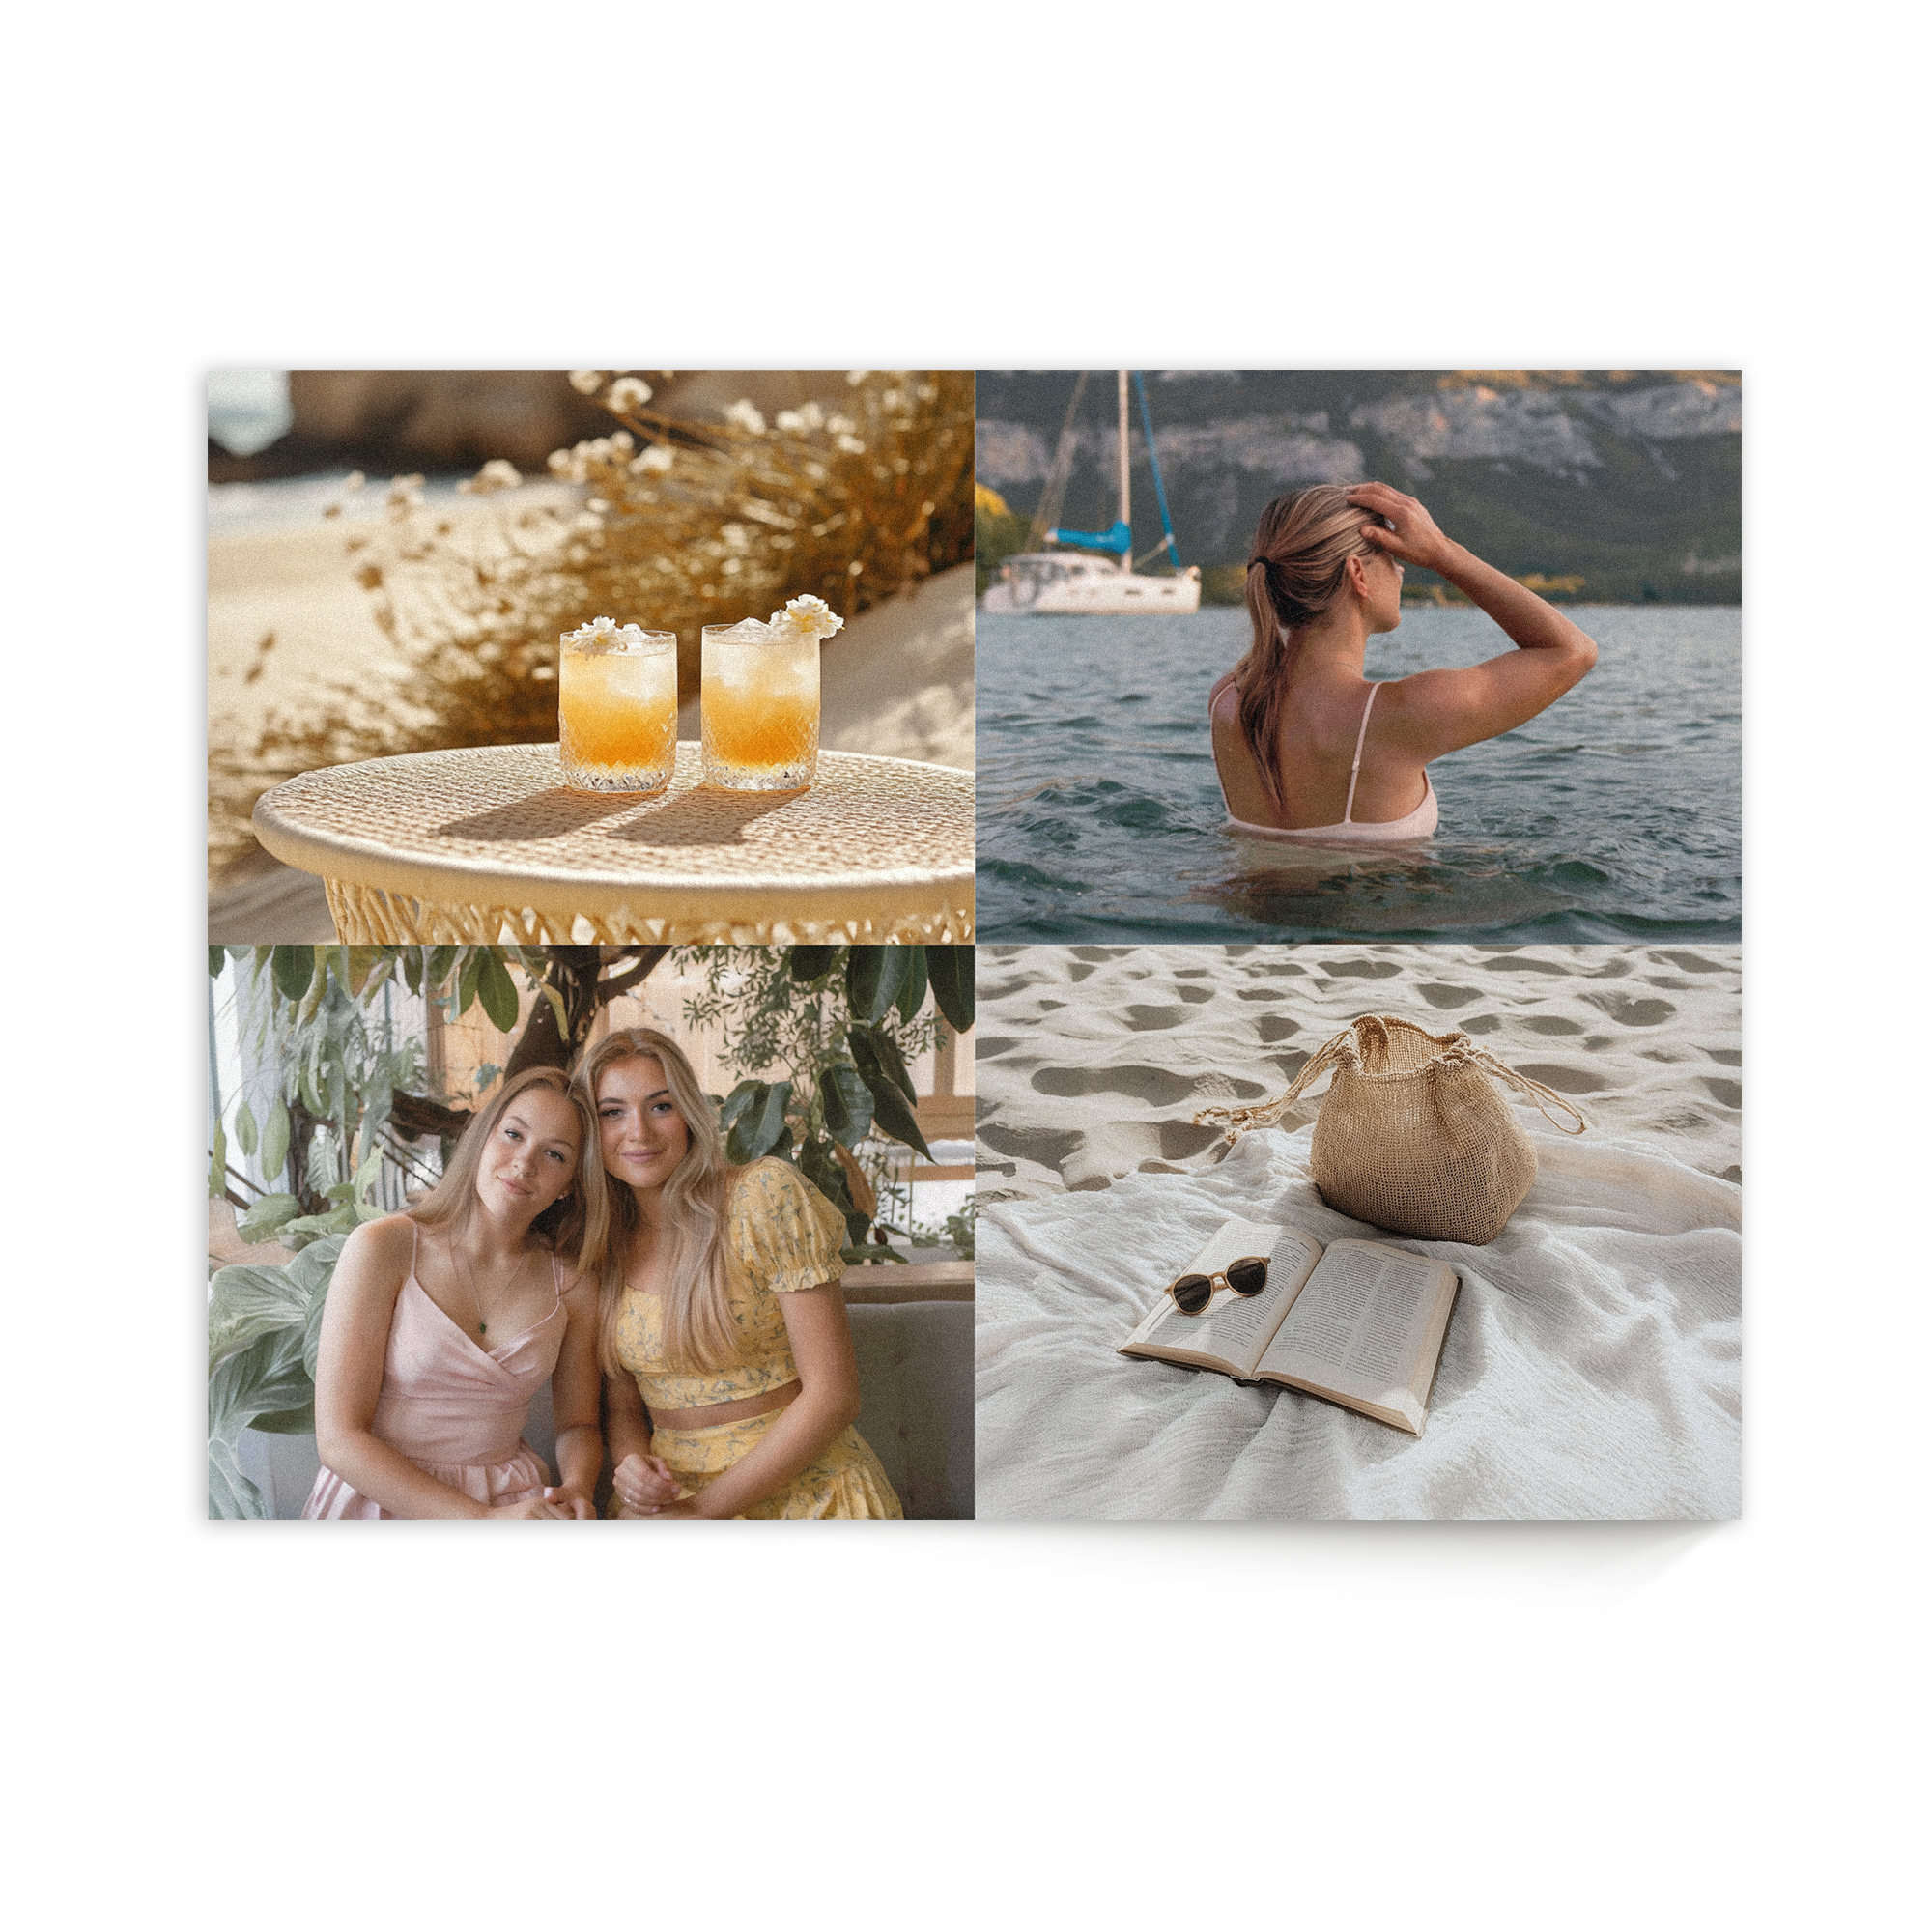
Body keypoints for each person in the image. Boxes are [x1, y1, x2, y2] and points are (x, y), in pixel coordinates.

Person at [577, 1027, 903, 1520]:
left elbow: (835, 1395)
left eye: (661, 1106)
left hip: (810, 1492)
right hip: (667, 1507)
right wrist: (631, 1466)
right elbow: (624, 1406)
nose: (638, 1132)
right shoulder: (602, 1243)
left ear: (688, 1114)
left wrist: (704, 1511)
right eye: (612, 1112)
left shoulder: (762, 1198)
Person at [1209, 481, 1599, 840]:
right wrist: (1444, 553)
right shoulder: (1403, 714)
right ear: (1357, 573)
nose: (1402, 568)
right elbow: (1571, 652)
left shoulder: (1227, 702)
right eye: (1392, 554)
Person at [303, 1065, 606, 1520]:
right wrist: (480, 1520)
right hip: (379, 1499)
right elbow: (339, 1439)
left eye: (555, 1155)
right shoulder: (383, 1247)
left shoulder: (574, 1284)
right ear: (482, 1137)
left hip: (512, 1500)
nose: (524, 1163)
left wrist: (578, 1486)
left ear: (570, 1186)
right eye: (513, 1135)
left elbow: (579, 1423)